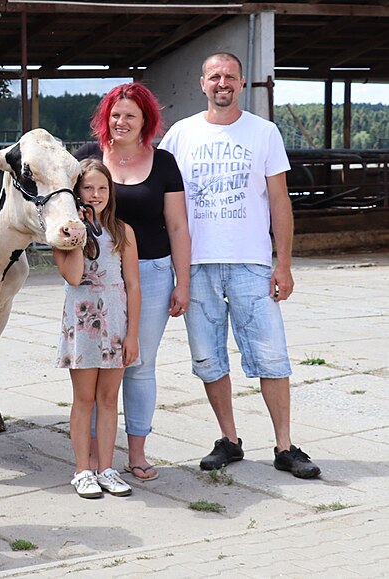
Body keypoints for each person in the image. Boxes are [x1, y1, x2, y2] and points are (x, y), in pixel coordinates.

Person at [159, 52, 320, 479]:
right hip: (196, 267)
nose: (222, 83)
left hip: (251, 264)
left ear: (242, 83)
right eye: (215, 76)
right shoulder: (180, 135)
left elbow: (280, 203)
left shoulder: (264, 133)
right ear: (202, 83)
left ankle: (285, 446)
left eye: (229, 76)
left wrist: (282, 264)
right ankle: (228, 440)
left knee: (272, 357)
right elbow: (161, 197)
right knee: (209, 359)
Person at [74, 82, 190, 482]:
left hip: (153, 272)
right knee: (92, 366)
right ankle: (90, 462)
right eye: (115, 114)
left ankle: (136, 454)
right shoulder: (87, 159)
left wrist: (183, 281)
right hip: (95, 277)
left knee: (136, 363)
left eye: (131, 116)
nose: (121, 122)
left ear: (146, 122)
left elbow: (177, 225)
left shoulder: (164, 163)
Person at [56, 159, 141, 498]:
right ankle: (82, 470)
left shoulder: (123, 231)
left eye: (102, 188)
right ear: (77, 193)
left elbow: (132, 284)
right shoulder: (65, 234)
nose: (95, 194)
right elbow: (74, 276)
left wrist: (132, 334)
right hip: (82, 324)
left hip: (116, 324)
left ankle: (107, 467)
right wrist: (78, 232)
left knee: (109, 399)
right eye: (88, 188)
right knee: (84, 398)